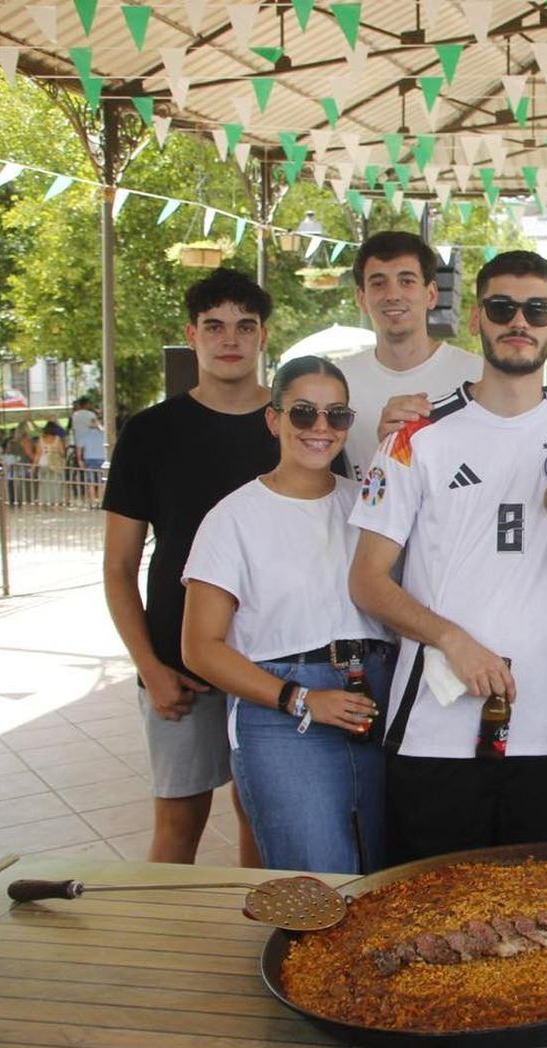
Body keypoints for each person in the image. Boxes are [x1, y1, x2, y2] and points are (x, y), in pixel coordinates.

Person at [347, 250, 547, 864]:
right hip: (432, 729)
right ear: (475, 319)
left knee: (525, 920)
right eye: (502, 307)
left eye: (537, 309)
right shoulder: (414, 436)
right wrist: (453, 640)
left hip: (543, 725)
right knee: (426, 919)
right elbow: (366, 581)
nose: (520, 320)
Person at [182, 356, 392, 874]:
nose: (320, 428)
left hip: (377, 693)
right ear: (274, 419)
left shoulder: (368, 505)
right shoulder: (232, 518)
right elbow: (200, 647)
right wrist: (299, 698)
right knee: (319, 879)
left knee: (389, 875)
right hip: (282, 707)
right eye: (303, 413)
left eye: (336, 415)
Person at [102, 267, 271, 867]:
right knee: (178, 821)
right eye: (215, 326)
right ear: (192, 334)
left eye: (244, 326)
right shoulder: (150, 433)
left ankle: (253, 946)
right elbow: (120, 568)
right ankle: (161, 953)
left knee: (261, 819)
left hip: (270, 658)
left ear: (262, 338)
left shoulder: (299, 427)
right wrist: (149, 666)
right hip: (181, 663)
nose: (230, 339)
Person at [337, 230, 483, 482]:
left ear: (431, 294)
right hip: (358, 521)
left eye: (407, 281)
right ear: (361, 298)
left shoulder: (477, 375)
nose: (393, 295)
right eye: (378, 283)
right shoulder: (339, 381)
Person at [71, 398, 107, 504]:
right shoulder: (102, 435)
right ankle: (100, 500)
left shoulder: (76, 417)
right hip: (101, 458)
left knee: (90, 481)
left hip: (89, 458)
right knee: (101, 481)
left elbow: (79, 447)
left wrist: (80, 460)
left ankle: (92, 501)